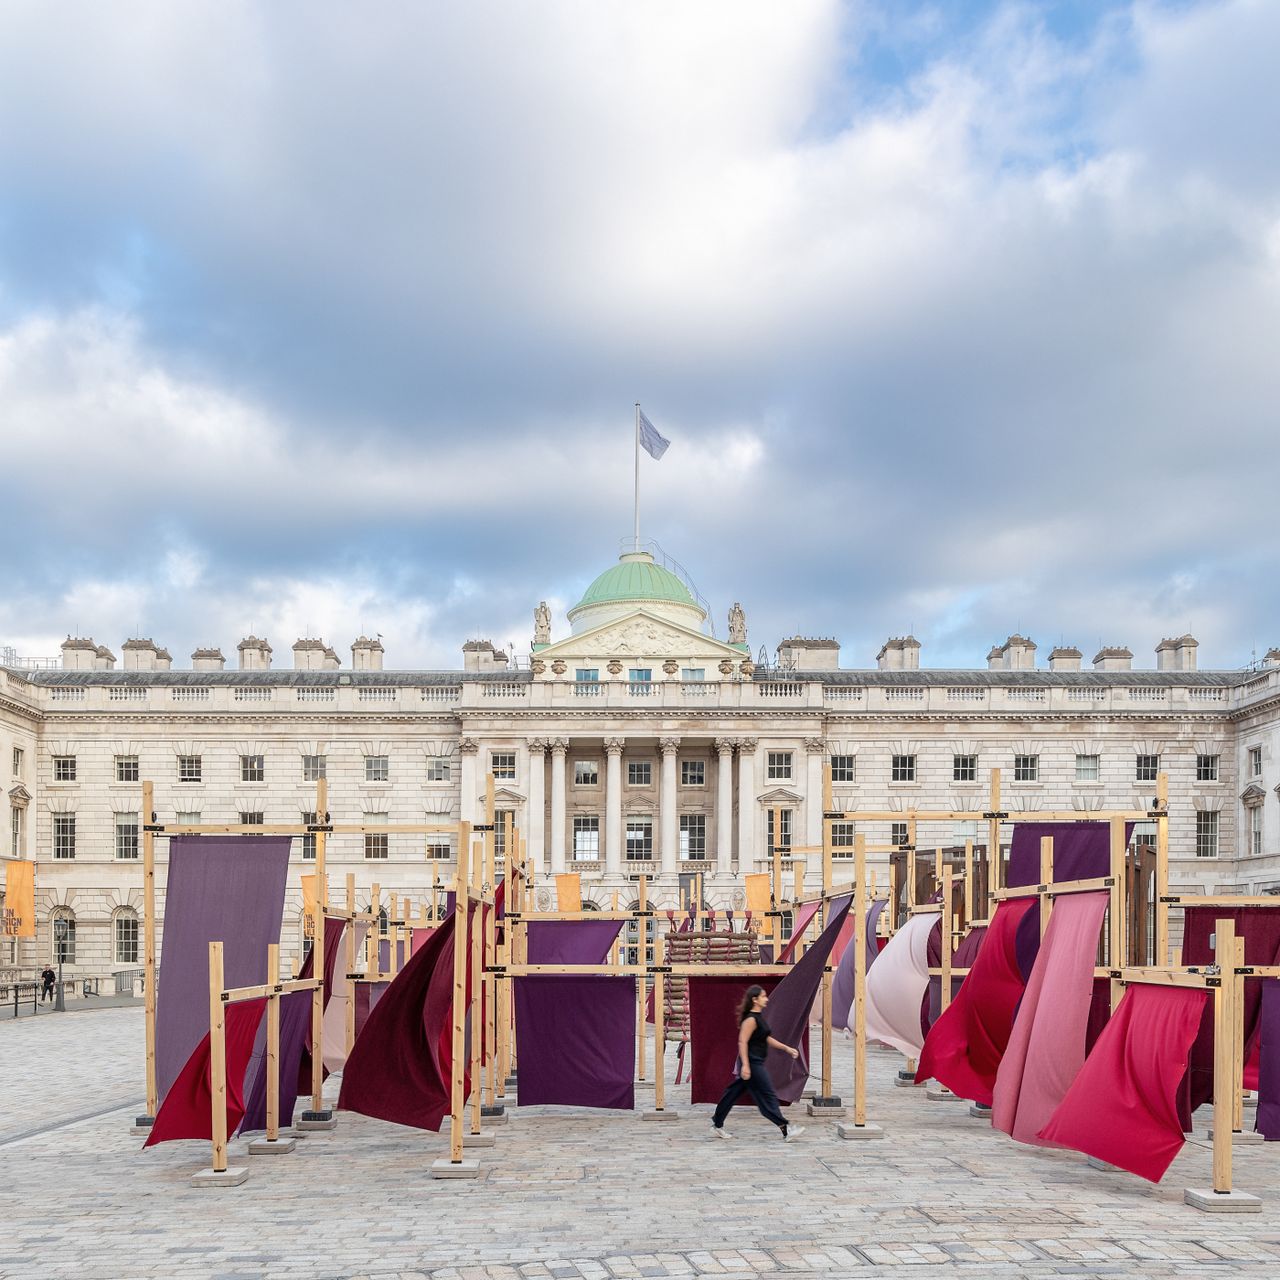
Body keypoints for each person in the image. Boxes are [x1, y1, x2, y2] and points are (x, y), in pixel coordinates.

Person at [711, 985, 806, 1141]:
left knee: (732, 1093)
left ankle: (717, 1123)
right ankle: (786, 1128)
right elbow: (742, 1041)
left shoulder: (758, 1017)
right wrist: (746, 1066)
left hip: (755, 1063)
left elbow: (766, 1038)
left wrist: (787, 1048)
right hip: (753, 1064)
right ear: (755, 1000)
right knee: (767, 1096)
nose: (766, 999)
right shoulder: (750, 1019)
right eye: (763, 996)